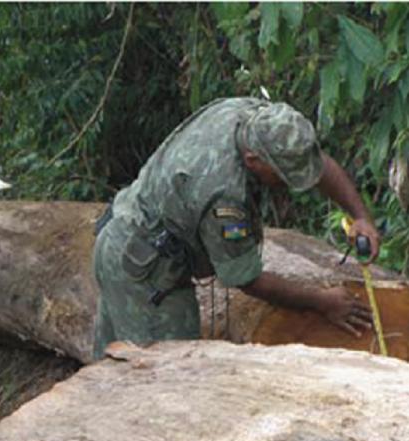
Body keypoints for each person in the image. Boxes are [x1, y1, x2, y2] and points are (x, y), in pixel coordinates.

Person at [92, 97, 381, 359]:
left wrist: (359, 216)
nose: (288, 185)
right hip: (143, 273)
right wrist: (321, 301)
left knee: (111, 371)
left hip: (125, 236)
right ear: (253, 160)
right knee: (167, 378)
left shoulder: (256, 119)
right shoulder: (222, 194)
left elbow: (312, 162)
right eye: (283, 175)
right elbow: (244, 278)